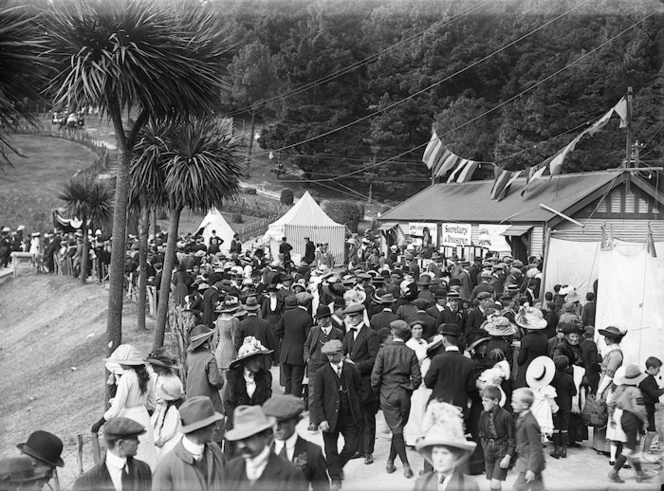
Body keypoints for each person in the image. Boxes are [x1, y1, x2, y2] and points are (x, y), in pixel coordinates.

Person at [90, 345, 157, 470]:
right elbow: (153, 403)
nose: (120, 365)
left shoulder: (127, 378)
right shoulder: (148, 376)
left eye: (121, 362)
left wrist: (99, 423)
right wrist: (143, 411)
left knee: (129, 458)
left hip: (128, 420)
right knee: (147, 456)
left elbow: (116, 408)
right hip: (144, 418)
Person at [371, 320, 421, 478]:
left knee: (396, 430)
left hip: (387, 392)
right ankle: (390, 462)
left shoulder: (384, 351)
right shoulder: (410, 352)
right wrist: (409, 389)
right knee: (398, 429)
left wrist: (378, 391)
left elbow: (375, 376)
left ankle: (405, 465)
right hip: (404, 393)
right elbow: (417, 379)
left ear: (393, 333)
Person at [312, 339, 364, 491]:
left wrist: (356, 404)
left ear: (341, 353)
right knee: (330, 449)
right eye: (328, 355)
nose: (330, 358)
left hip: (349, 415)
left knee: (352, 446)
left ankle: (335, 466)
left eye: (333, 354)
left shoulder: (351, 369)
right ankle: (335, 478)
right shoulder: (322, 373)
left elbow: (359, 388)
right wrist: (320, 419)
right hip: (329, 418)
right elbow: (317, 398)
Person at [152, 396, 226, 491]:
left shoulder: (216, 452)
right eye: (212, 424)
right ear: (200, 429)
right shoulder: (166, 467)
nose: (217, 428)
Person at [224, 405, 306, 491]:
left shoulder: (290, 473)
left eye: (248, 439)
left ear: (265, 436)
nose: (242, 445)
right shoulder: (231, 468)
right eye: (239, 440)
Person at [262, 395, 330, 491]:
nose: (277, 427)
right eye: (273, 422)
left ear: (296, 421)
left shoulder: (313, 453)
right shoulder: (262, 447)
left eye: (282, 422)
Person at [341, 302, 379, 465]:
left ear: (360, 316)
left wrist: (354, 366)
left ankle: (368, 451)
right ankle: (358, 448)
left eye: (352, 317)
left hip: (366, 382)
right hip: (352, 384)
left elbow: (374, 359)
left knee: (368, 417)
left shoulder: (370, 334)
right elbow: (342, 352)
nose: (350, 319)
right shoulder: (349, 334)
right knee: (355, 416)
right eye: (349, 317)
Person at [222, 337, 273, 458]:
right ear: (246, 361)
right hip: (237, 427)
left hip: (258, 427)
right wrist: (239, 421)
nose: (258, 363)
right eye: (255, 360)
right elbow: (227, 403)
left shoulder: (265, 377)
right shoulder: (234, 378)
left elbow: (268, 403)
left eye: (260, 360)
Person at [413, 401, 479, 491]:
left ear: (456, 455)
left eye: (445, 453)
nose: (439, 459)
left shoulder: (469, 486)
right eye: (435, 452)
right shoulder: (422, 483)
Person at [74, 417, 152, 491]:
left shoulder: (143, 469)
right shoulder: (85, 482)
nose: (138, 442)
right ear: (120, 444)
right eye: (134, 438)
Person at [607, 364, 652, 483]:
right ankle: (614, 472)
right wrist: (645, 420)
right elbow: (638, 409)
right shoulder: (635, 391)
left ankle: (639, 473)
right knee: (629, 448)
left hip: (623, 417)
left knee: (635, 446)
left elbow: (611, 403)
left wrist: (611, 418)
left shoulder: (620, 388)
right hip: (632, 419)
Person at [424, 323, 477, 422]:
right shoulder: (469, 362)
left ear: (444, 340)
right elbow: (471, 387)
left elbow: (428, 382)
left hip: (438, 404)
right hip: (459, 406)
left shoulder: (437, 359)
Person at [303, 305, 344, 432]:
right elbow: (306, 345)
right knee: (313, 393)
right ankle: (313, 421)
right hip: (314, 365)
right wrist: (308, 358)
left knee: (330, 393)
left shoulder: (338, 333)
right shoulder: (314, 330)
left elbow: (341, 349)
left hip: (329, 366)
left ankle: (328, 420)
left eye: (320, 319)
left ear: (327, 319)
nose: (318, 321)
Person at [186, 324, 225, 447]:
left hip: (191, 398)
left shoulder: (190, 356)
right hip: (207, 399)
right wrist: (222, 380)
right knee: (215, 425)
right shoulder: (209, 357)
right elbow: (215, 381)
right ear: (207, 340)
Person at [592, 326, 626, 454]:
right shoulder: (613, 352)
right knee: (601, 412)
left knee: (603, 412)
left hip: (609, 386)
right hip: (605, 382)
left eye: (607, 337)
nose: (605, 339)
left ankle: (606, 447)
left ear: (611, 339)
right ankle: (600, 445)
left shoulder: (616, 354)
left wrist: (600, 390)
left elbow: (609, 374)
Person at [478, 385, 515, 491]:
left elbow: (512, 438)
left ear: (495, 401)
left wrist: (508, 456)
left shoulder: (506, 416)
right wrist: (485, 448)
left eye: (486, 400)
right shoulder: (483, 414)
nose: (483, 403)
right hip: (488, 451)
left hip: (501, 452)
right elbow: (481, 433)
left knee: (495, 483)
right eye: (482, 400)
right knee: (491, 483)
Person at [276, 294, 313, 397]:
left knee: (288, 380)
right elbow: (308, 337)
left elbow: (277, 331)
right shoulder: (307, 317)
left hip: (285, 352)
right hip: (298, 353)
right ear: (309, 304)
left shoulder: (287, 314)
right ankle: (295, 407)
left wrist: (286, 339)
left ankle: (287, 404)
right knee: (296, 382)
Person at [403, 321, 433, 446]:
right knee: (415, 408)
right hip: (415, 378)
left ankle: (423, 435)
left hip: (425, 378)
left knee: (424, 407)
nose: (417, 331)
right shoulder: (409, 344)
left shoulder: (425, 342)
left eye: (420, 329)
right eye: (415, 329)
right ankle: (412, 438)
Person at [511, 388, 545, 491]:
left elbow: (536, 447)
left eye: (515, 402)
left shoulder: (530, 422)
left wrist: (531, 469)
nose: (512, 404)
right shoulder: (521, 417)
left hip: (529, 464)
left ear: (525, 405)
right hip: (527, 461)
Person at [235, 297, 274, 371]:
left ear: (246, 310)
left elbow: (237, 344)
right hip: (263, 359)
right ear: (257, 309)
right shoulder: (265, 323)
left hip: (247, 358)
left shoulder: (241, 324)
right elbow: (271, 342)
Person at [151, 376, 184, 463]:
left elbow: (169, 431)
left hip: (170, 446)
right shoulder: (167, 407)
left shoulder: (173, 410)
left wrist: (159, 440)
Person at [549, 356, 577, 459]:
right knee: (564, 427)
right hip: (566, 405)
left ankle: (556, 449)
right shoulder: (569, 378)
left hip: (555, 405)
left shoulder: (552, 378)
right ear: (567, 367)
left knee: (556, 427)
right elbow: (574, 392)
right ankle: (564, 449)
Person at [514, 307, 549, 389]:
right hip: (538, 369)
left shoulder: (526, 339)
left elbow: (520, 360)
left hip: (526, 370)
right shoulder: (544, 337)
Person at [638, 356, 664, 460]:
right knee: (640, 433)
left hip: (650, 409)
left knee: (651, 431)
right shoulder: (645, 379)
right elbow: (653, 393)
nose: (659, 371)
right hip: (644, 409)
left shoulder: (650, 378)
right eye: (658, 369)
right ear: (652, 368)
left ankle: (645, 453)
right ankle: (635, 454)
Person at [214, 300, 241, 381]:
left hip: (219, 349)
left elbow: (217, 336)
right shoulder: (234, 320)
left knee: (220, 375)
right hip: (230, 350)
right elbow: (235, 338)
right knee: (229, 377)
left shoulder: (219, 319)